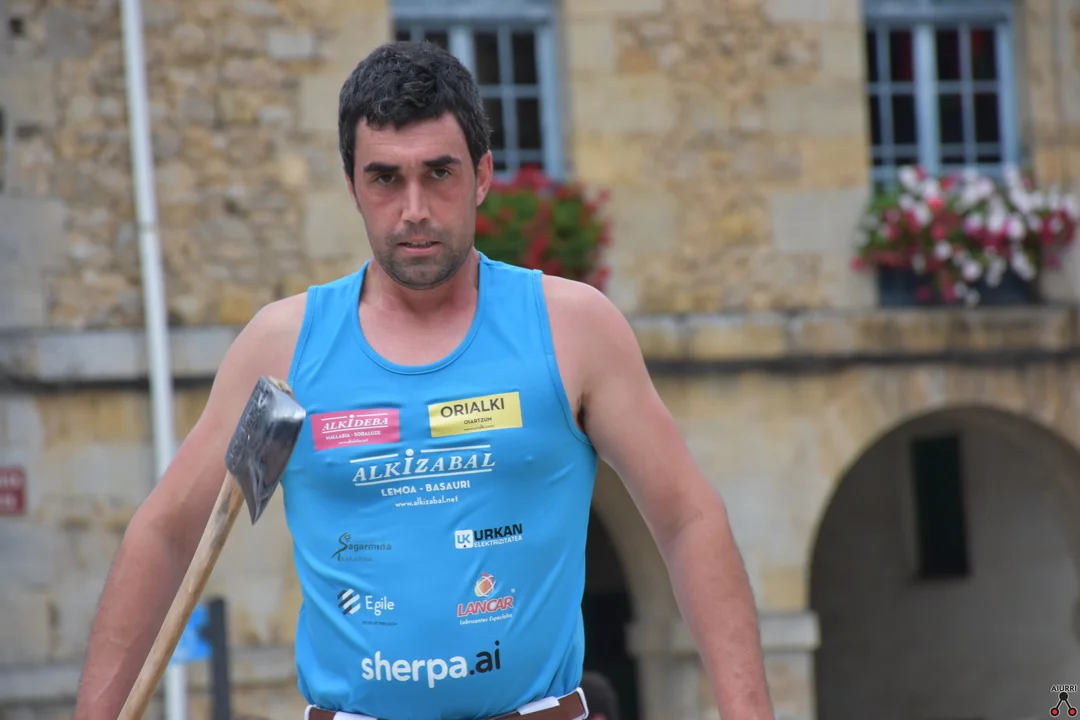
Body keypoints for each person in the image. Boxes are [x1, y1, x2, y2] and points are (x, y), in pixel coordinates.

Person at [72, 41, 773, 720]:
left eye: (439, 173)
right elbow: (167, 533)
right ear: (352, 186)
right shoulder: (285, 350)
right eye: (385, 178)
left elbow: (687, 519)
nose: (414, 208)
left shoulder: (572, 329)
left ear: (483, 175)